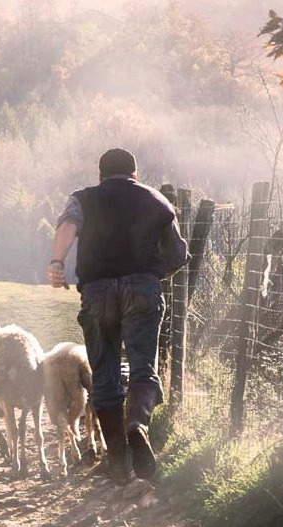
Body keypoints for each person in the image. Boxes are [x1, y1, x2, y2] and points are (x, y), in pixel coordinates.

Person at [48, 148, 189, 482]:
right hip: (143, 288)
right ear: (135, 174)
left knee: (104, 372)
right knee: (143, 368)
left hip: (97, 292)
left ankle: (116, 459)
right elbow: (179, 254)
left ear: (100, 175)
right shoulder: (158, 201)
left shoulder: (83, 198)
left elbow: (68, 224)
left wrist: (57, 262)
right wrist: (154, 275)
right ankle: (137, 425)